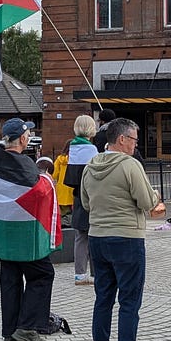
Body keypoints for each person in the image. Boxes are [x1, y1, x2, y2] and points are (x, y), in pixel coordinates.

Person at [80, 117, 165, 341]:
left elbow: (85, 203)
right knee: (129, 300)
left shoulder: (90, 165)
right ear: (122, 140)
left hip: (97, 237)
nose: (136, 145)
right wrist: (156, 197)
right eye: (134, 140)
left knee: (103, 298)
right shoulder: (130, 165)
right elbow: (145, 200)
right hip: (127, 237)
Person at [0, 119, 61, 341]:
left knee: (10, 279)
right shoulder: (23, 163)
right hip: (24, 234)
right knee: (42, 274)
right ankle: (27, 328)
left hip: (4, 232)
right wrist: (46, 177)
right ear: (23, 139)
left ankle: (10, 332)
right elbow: (38, 190)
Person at [64, 114, 98, 285]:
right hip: (90, 197)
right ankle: (94, 273)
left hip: (77, 196)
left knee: (80, 236)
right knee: (92, 235)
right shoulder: (91, 149)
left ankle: (79, 273)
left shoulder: (73, 146)